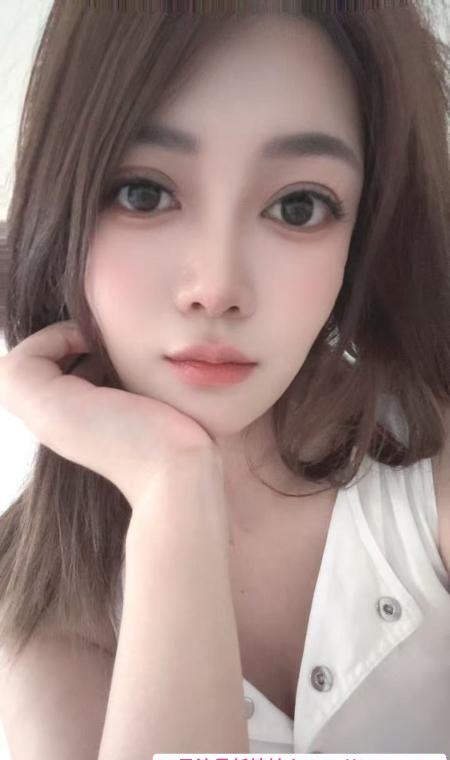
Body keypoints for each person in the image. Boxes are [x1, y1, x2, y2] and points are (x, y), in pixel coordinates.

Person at [0, 0, 449, 756]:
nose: (217, 288)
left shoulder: (427, 475)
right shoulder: (34, 606)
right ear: (64, 209)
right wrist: (174, 487)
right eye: (144, 193)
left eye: (299, 206)